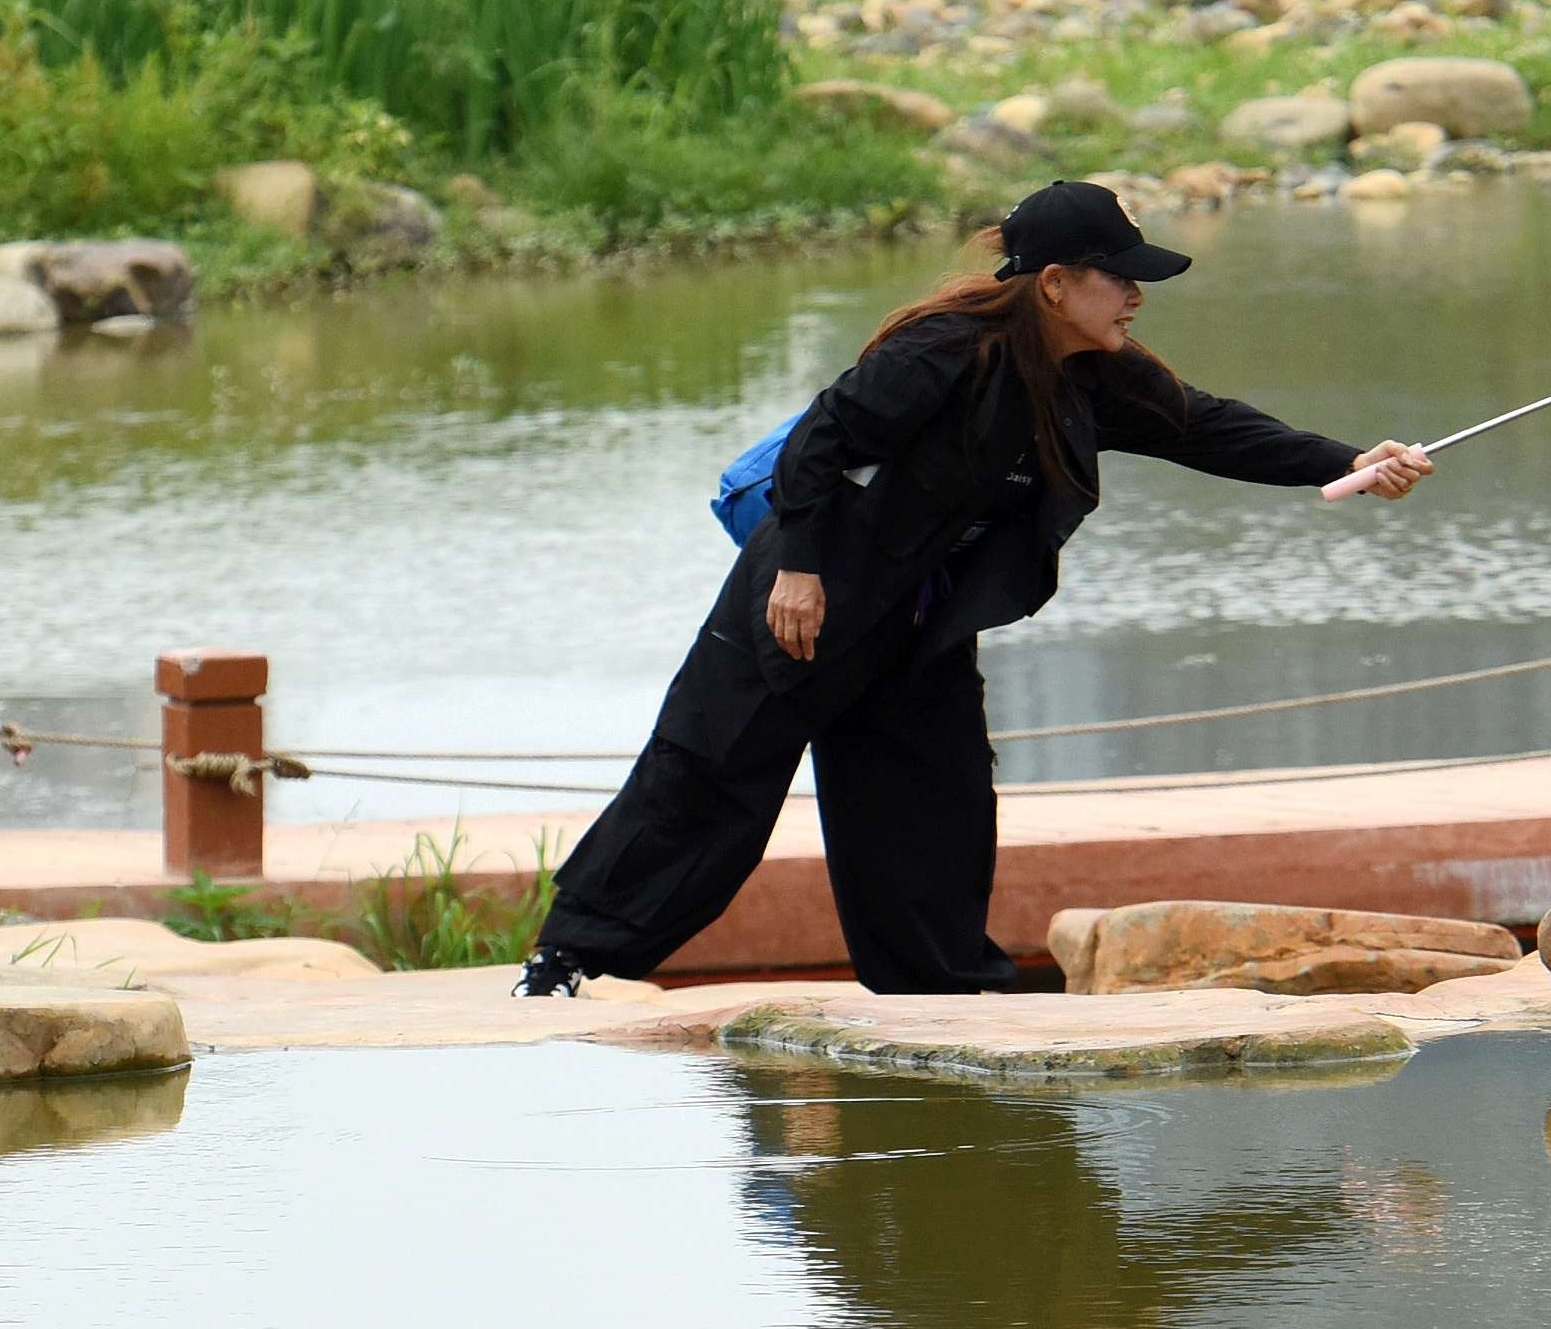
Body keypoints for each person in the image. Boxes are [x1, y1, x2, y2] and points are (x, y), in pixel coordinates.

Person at [517, 181, 1429, 998]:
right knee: (711, 786)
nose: (1137, 295)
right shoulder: (943, 350)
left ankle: (941, 993)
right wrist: (794, 572)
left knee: (934, 808)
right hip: (805, 605)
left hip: (919, 629)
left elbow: (1208, 428)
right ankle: (570, 964)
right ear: (1055, 284)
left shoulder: (1093, 375)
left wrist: (1347, 458)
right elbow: (821, 442)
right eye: (1119, 277)